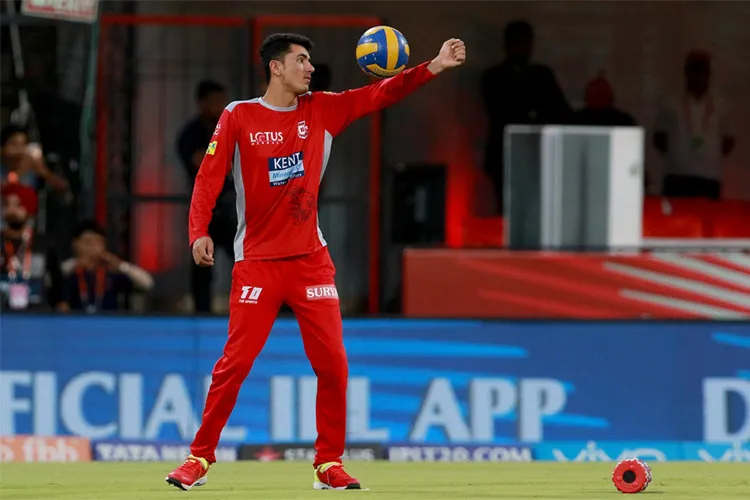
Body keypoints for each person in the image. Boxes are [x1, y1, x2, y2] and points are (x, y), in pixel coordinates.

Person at [165, 33, 466, 491]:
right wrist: (198, 232)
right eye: (301, 60)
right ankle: (199, 458)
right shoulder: (238, 115)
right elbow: (208, 178)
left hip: (310, 262)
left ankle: (328, 464)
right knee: (235, 364)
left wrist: (435, 66)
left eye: (309, 61)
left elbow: (380, 93)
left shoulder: (323, 109)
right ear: (276, 67)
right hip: (258, 263)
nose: (310, 68)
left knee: (333, 364)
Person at [481, 20, 571, 213]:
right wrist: (533, 112)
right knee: (508, 209)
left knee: (538, 209)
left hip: (538, 154)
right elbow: (501, 111)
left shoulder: (542, 74)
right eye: (518, 42)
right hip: (505, 155)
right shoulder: (493, 77)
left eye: (526, 42)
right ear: (507, 44)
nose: (523, 47)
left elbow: (561, 112)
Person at [176, 80, 236, 313]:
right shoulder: (190, 133)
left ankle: (250, 306)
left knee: (244, 260)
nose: (219, 106)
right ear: (201, 103)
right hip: (205, 210)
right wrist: (225, 159)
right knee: (202, 265)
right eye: (214, 101)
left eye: (222, 101)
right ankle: (201, 313)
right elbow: (203, 163)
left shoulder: (230, 126)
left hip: (233, 209)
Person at [653, 50, 735, 199]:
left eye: (702, 70)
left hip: (709, 177)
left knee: (707, 214)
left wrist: (708, 156)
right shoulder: (670, 101)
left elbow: (728, 141)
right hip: (676, 175)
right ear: (686, 72)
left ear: (708, 73)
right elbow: (659, 138)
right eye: (694, 69)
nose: (698, 75)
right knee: (674, 214)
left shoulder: (722, 104)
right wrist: (678, 154)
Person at [58, 220, 154, 313]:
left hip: (108, 321)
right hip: (76, 321)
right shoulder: (69, 272)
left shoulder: (111, 271)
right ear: (75, 244)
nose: (92, 247)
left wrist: (121, 265)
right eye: (87, 242)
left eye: (97, 242)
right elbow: (55, 278)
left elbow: (147, 283)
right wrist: (76, 263)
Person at [0, 182, 63, 310]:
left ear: (29, 209)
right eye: (6, 205)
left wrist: (60, 303)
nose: (11, 210)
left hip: (37, 313)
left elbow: (57, 280)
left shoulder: (45, 243)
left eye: (18, 205)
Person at [0, 124, 68, 192]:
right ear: (2, 148)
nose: (20, 150)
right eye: (14, 145)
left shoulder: (32, 166)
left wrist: (44, 172)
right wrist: (20, 171)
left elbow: (63, 186)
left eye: (23, 144)